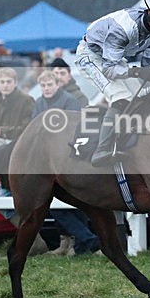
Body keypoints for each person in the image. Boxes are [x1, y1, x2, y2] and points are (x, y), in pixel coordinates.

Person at [75, 0, 150, 166]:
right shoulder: (123, 30)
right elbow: (110, 70)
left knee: (142, 94)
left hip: (113, 59)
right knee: (121, 96)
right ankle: (102, 149)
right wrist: (138, 71)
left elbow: (146, 70)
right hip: (91, 56)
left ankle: (130, 137)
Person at [0, 67, 48, 255]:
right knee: (4, 203)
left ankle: (35, 243)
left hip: (24, 157)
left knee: (23, 202)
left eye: (9, 81)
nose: (6, 85)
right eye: (2, 82)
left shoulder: (26, 101)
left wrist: (3, 131)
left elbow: (28, 127)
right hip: (3, 160)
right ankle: (36, 243)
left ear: (15, 82)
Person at [31, 69, 100, 256]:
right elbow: (34, 128)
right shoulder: (39, 102)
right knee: (57, 205)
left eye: (49, 85)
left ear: (58, 84)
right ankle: (83, 242)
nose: (46, 88)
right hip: (49, 159)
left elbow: (76, 126)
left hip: (69, 155)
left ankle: (84, 242)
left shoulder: (70, 100)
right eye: (43, 85)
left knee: (69, 203)